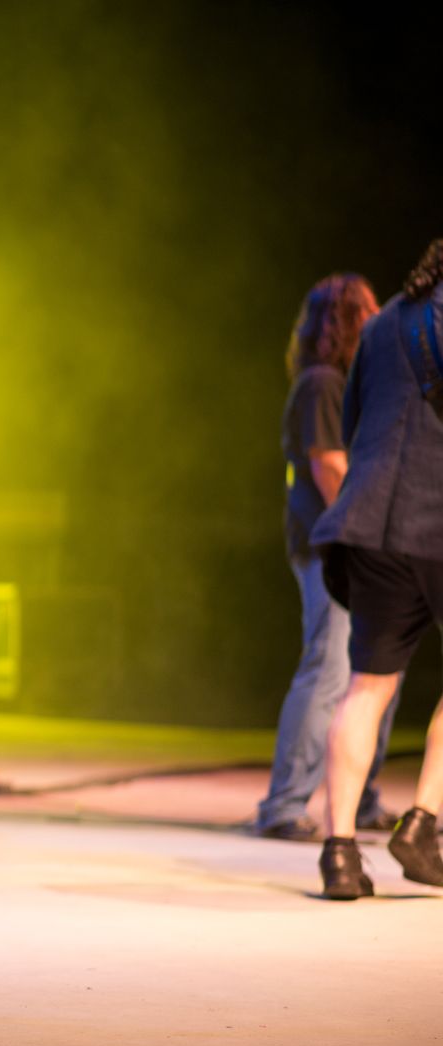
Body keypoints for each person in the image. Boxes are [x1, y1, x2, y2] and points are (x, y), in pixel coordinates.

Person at [313, 238, 443, 900]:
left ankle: (339, 853)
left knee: (366, 686)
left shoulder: (385, 319)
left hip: (371, 519)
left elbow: (355, 423)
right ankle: (422, 824)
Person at [255, 274, 398, 840]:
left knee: (375, 671)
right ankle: (284, 804)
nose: (379, 318)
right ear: (347, 320)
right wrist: (365, 534)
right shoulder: (320, 382)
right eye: (369, 310)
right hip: (331, 545)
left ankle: (358, 797)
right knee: (331, 667)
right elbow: (329, 467)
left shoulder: (345, 383)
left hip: (352, 543)